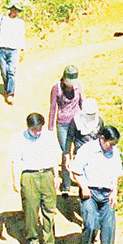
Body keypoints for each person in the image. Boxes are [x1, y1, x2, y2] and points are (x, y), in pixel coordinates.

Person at [71, 125, 123, 244]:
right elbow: (76, 172)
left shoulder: (115, 152)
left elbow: (116, 174)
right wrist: (83, 187)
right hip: (90, 192)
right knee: (91, 225)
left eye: (114, 144)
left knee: (109, 227)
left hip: (107, 193)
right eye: (110, 144)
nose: (112, 147)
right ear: (102, 139)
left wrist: (115, 191)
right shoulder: (87, 150)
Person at [9, 112, 62, 244]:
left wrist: (57, 176)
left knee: (49, 209)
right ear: (28, 127)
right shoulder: (19, 138)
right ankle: (32, 238)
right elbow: (15, 161)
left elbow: (55, 157)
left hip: (47, 174)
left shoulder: (49, 136)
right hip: (29, 176)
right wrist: (15, 179)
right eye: (34, 130)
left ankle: (50, 242)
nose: (37, 132)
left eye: (39, 129)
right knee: (30, 208)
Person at [49, 65, 83, 194]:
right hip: (62, 124)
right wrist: (50, 128)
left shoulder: (78, 86)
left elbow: (82, 103)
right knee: (65, 152)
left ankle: (79, 178)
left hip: (77, 123)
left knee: (79, 151)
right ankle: (66, 184)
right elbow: (53, 108)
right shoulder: (56, 88)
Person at [0, 0, 27, 105]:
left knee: (11, 71)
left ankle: (10, 93)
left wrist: (22, 50)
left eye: (16, 10)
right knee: (4, 72)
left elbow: (21, 36)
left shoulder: (20, 22)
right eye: (13, 9)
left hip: (13, 50)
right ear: (10, 9)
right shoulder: (1, 19)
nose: (14, 12)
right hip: (2, 48)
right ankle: (7, 87)